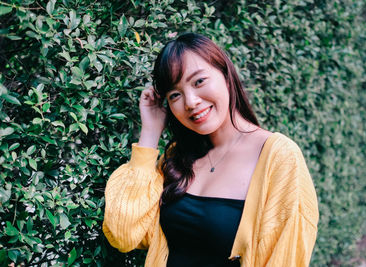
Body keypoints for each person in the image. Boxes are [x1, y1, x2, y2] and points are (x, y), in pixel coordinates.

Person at [103, 33, 319, 267]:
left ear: (226, 74)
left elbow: (284, 258)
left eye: (199, 81)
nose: (190, 102)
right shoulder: (177, 158)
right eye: (175, 94)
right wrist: (149, 135)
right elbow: (124, 234)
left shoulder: (278, 156)